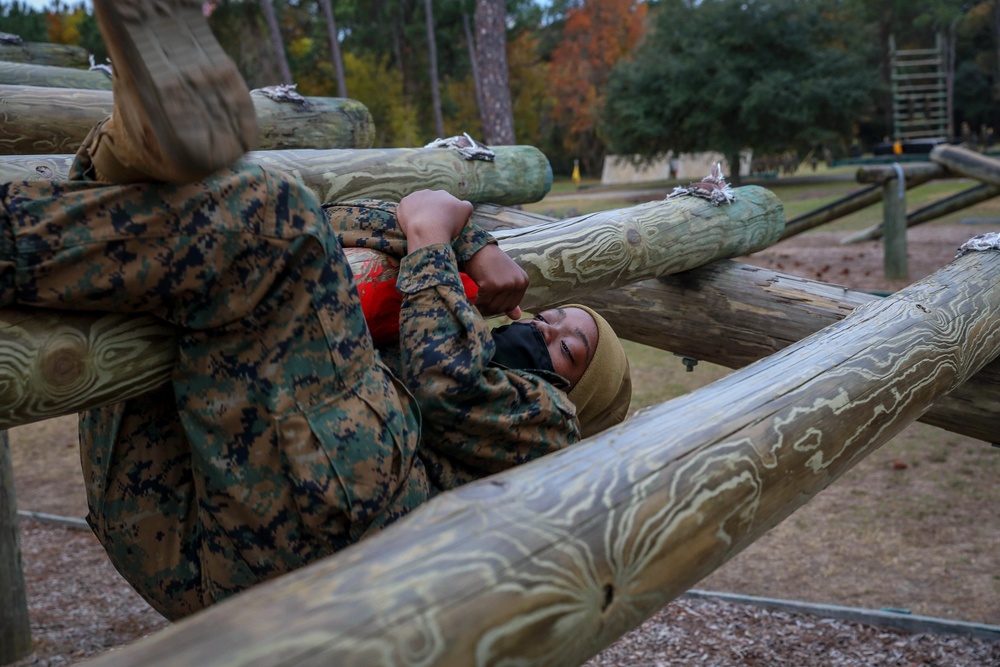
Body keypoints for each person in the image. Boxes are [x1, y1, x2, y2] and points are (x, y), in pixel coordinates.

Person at [0, 0, 630, 620]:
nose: (546, 329)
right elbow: (344, 224)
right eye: (554, 318)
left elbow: (448, 386)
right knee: (204, 212)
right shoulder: (446, 321)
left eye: (569, 349)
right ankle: (137, 141)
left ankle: (142, 144)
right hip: (170, 509)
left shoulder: (550, 430)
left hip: (315, 552)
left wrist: (436, 244)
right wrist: (471, 241)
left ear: (578, 396)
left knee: (281, 222)